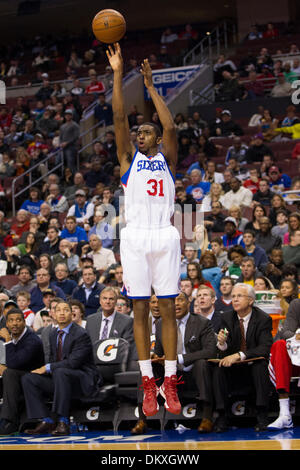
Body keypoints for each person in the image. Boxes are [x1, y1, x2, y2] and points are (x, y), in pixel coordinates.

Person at [106, 43, 182, 416]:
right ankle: (147, 382)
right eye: (140, 133)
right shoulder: (126, 160)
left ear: (157, 140)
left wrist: (151, 87)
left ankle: (170, 377)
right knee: (139, 309)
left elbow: (170, 124)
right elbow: (119, 116)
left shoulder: (167, 160)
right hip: (135, 235)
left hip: (165, 233)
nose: (142, 134)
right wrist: (119, 74)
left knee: (166, 307)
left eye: (147, 132)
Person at [21, 300, 102, 436]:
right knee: (29, 378)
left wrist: (47, 368)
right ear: (53, 314)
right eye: (58, 310)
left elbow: (73, 363)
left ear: (72, 313)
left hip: (82, 380)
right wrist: (46, 370)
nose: (62, 313)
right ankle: (46, 420)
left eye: (66, 310)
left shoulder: (81, 334)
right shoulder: (53, 334)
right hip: (60, 378)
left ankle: (63, 420)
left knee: (59, 371)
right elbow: (54, 360)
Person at [212, 283, 273, 432]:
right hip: (234, 369)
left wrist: (239, 355)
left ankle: (262, 415)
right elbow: (225, 350)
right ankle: (221, 416)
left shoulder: (263, 319)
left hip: (253, 366)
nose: (235, 299)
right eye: (233, 296)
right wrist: (222, 343)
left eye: (239, 296)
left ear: (251, 300)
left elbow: (264, 348)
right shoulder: (226, 317)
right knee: (219, 368)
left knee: (260, 366)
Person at [152, 292, 217, 433]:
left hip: (194, 372)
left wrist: (180, 358)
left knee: (202, 364)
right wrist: (155, 357)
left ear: (189, 302)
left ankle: (207, 417)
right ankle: (142, 418)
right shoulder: (161, 323)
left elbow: (210, 351)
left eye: (180, 300)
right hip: (171, 372)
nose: (176, 304)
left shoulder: (202, 322)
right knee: (147, 366)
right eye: (173, 301)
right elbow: (158, 351)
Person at [0, 308, 45, 436]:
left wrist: (7, 340)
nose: (15, 323)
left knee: (9, 373)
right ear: (6, 324)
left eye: (18, 320)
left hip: (35, 380)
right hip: (18, 379)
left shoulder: (32, 340)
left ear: (24, 322)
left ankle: (10, 422)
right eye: (11, 321)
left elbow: (14, 364)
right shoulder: (11, 338)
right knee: (8, 374)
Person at [85, 287, 137, 383]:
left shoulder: (127, 321)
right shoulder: (91, 320)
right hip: (93, 364)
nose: (107, 301)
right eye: (105, 298)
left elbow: (127, 347)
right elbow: (87, 345)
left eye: (111, 299)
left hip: (115, 364)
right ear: (100, 301)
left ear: (115, 302)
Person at [267, 298, 300, 429]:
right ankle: (285, 414)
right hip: (296, 359)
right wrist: (296, 336)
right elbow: (286, 332)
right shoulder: (297, 304)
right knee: (279, 345)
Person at [59, 109, 80, 175]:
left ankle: (76, 177)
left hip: (71, 147)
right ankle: (65, 178)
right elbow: (60, 136)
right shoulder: (62, 126)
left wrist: (67, 143)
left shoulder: (75, 125)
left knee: (70, 164)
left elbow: (76, 136)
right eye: (66, 115)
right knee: (59, 162)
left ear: (71, 116)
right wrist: (61, 143)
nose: (67, 116)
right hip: (63, 147)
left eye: (69, 115)